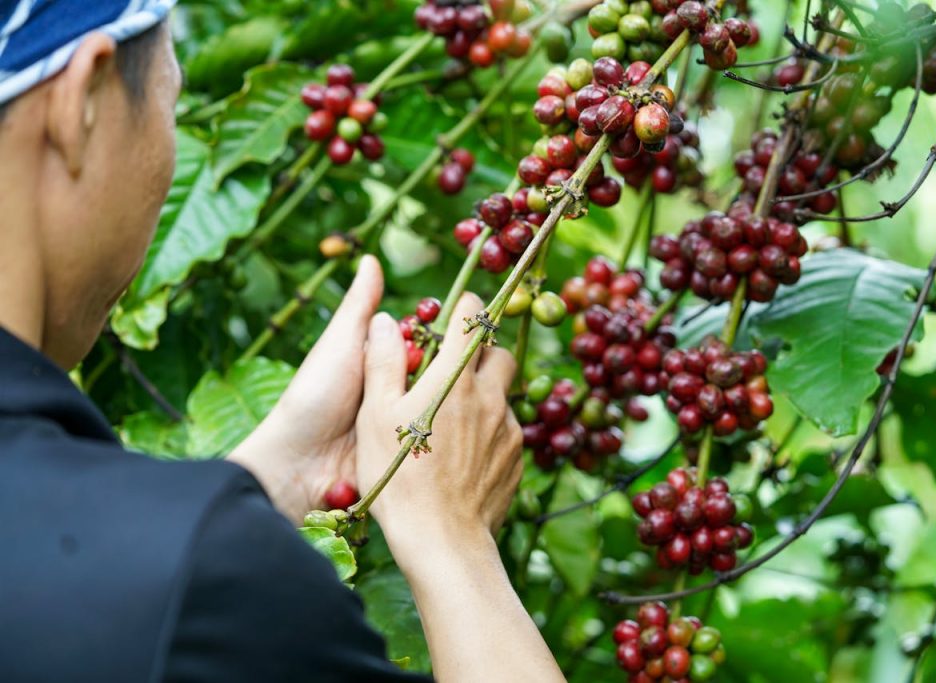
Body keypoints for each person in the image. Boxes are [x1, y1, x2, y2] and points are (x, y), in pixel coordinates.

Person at [0, 2, 566, 681]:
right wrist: (454, 541)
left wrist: (274, 477)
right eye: (169, 101)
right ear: (81, 100)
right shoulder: (209, 591)